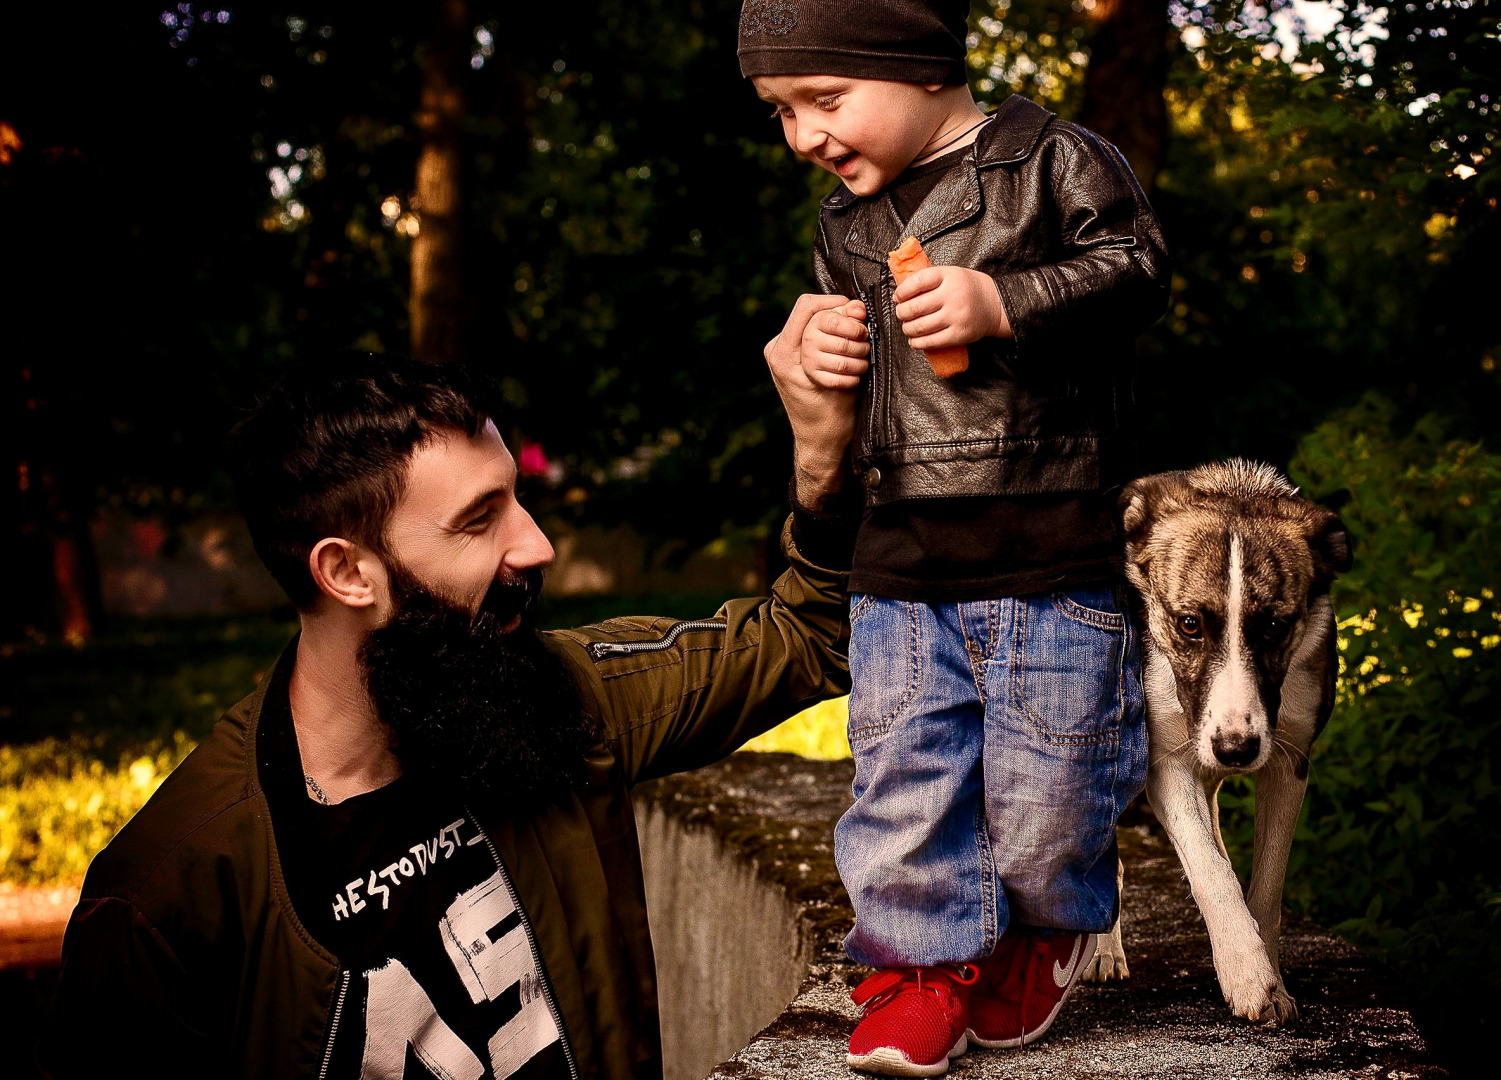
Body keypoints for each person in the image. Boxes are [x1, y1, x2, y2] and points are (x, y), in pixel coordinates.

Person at [39, 328, 862, 1080]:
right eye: (478, 521)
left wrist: (823, 453)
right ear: (347, 573)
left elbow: (803, 635)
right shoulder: (168, 897)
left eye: (515, 497)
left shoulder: (553, 699)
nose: (535, 545)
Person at [738, 0, 1171, 1074]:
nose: (804, 137)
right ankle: (914, 974)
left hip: (1051, 535)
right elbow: (859, 403)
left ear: (922, 68)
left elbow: (1136, 270)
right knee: (902, 775)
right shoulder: (845, 227)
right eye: (781, 113)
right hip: (899, 551)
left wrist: (1003, 301)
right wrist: (830, 368)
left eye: (823, 102)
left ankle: (1046, 925)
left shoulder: (1054, 159)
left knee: (1051, 786)